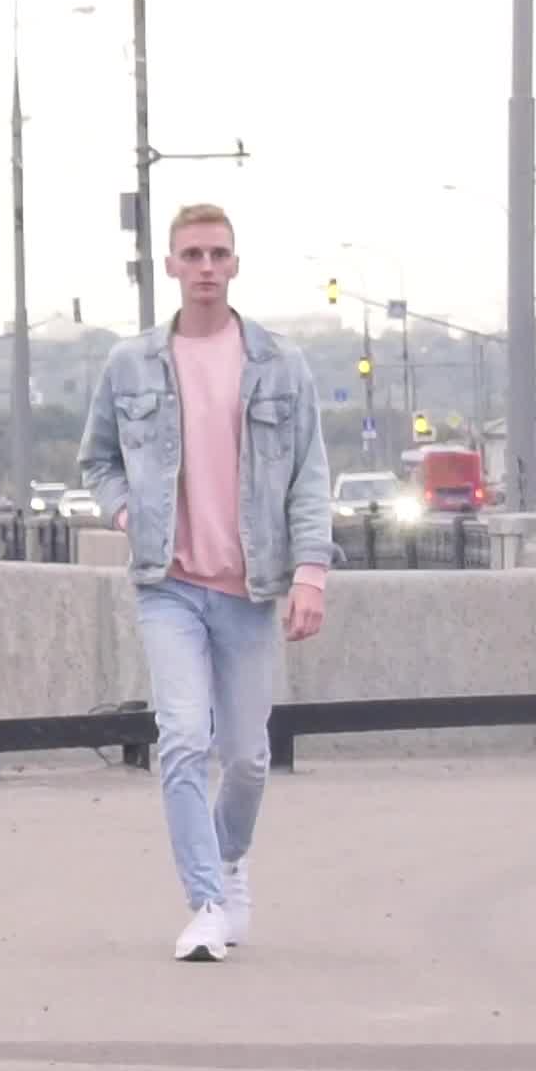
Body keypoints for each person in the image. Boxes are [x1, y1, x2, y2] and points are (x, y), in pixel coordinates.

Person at [77, 205, 332, 962]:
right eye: (192, 254)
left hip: (248, 588)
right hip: (169, 584)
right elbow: (97, 460)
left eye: (218, 254)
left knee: (247, 758)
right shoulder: (131, 364)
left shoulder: (281, 364)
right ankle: (206, 903)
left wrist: (311, 573)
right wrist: (128, 513)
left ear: (236, 265)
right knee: (184, 737)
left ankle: (230, 858)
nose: (206, 267)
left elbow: (308, 475)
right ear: (170, 266)